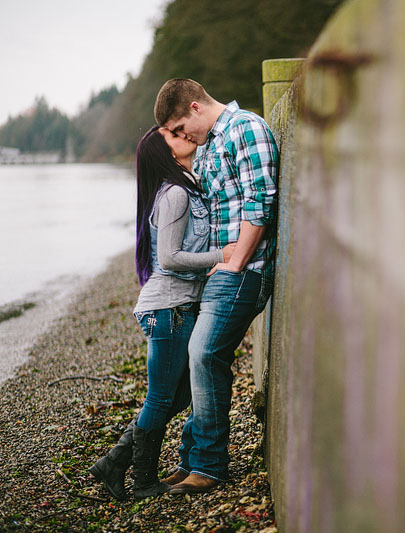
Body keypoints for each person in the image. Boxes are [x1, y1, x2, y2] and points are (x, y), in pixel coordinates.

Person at [89, 126, 234, 500]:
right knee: (160, 398)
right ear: (165, 153)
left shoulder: (188, 188)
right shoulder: (175, 195)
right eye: (172, 134)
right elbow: (169, 259)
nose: (182, 133)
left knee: (180, 396)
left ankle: (115, 462)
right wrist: (224, 256)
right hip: (168, 309)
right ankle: (142, 482)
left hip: (177, 307)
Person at [153, 78, 278, 494]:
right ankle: (192, 459)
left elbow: (261, 201)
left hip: (246, 271)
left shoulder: (247, 128)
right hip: (221, 273)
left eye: (178, 128)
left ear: (193, 106)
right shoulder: (207, 147)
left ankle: (209, 465)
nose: (180, 137)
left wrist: (235, 262)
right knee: (198, 357)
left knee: (204, 353)